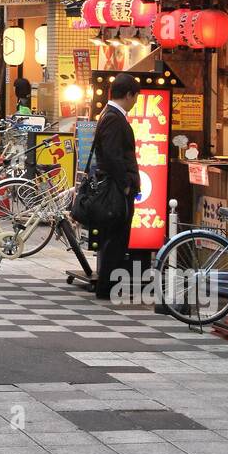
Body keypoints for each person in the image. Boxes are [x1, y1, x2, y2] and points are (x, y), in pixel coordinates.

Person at [92, 72, 141, 302]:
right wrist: (126, 185)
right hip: (115, 188)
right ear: (129, 94)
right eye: (136, 97)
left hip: (114, 185)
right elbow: (112, 155)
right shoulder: (113, 117)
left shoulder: (108, 114)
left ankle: (108, 285)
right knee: (117, 238)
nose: (135, 102)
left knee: (114, 237)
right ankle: (106, 287)